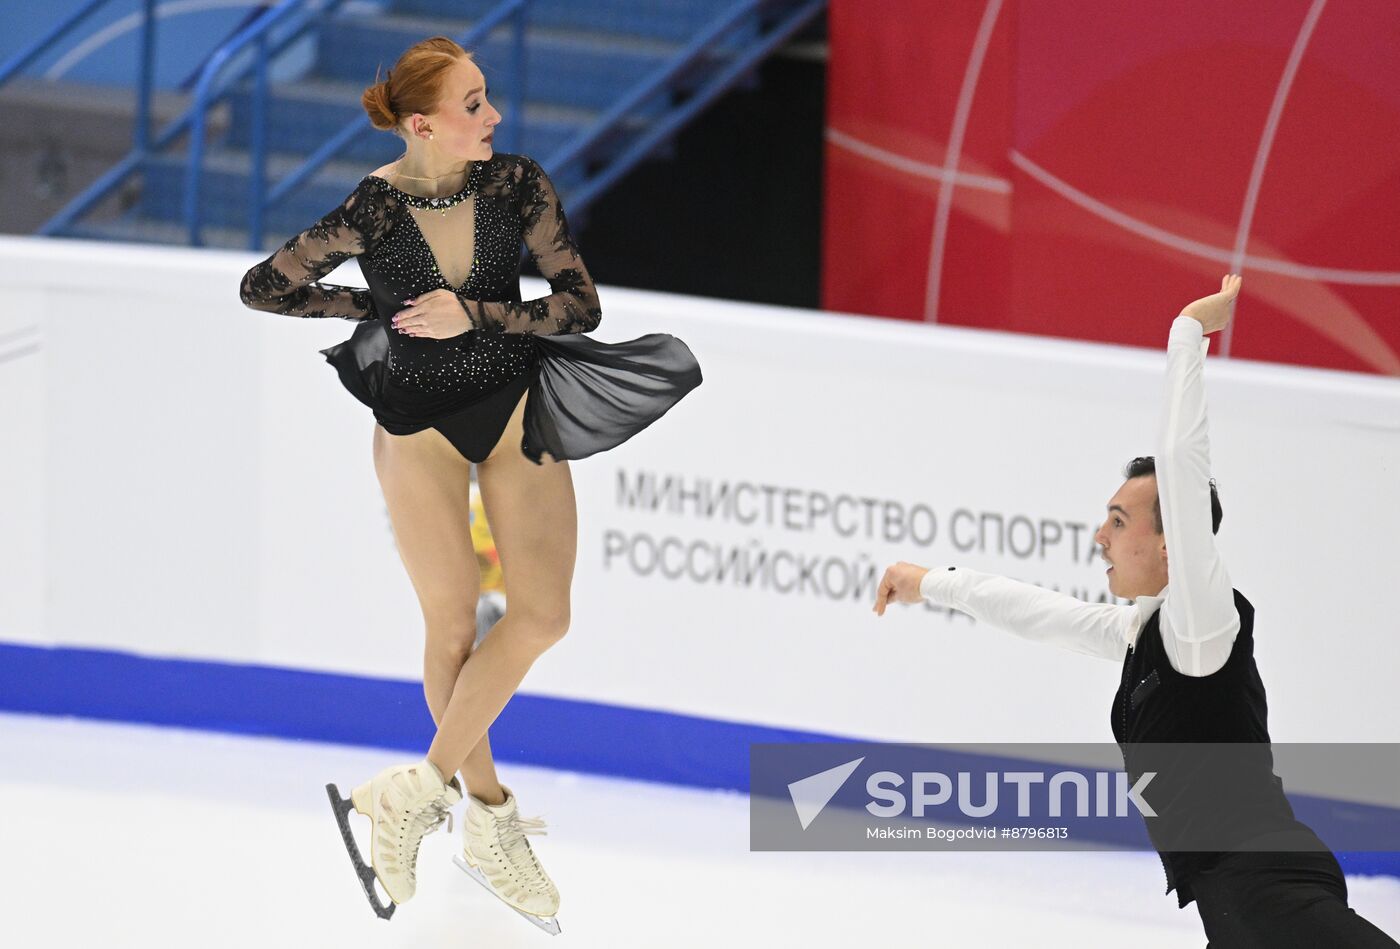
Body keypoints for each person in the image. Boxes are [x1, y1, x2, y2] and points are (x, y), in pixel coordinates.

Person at [239, 36, 701, 927]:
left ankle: (415, 789)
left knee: (543, 615)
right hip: (416, 433)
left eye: (487, 99)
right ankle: (487, 821)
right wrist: (373, 308)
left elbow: (579, 301)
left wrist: (475, 313)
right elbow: (267, 286)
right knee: (451, 621)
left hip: (514, 410)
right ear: (422, 125)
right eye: (474, 105)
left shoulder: (516, 184)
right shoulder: (372, 209)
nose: (493, 117)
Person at [873, 276, 1397, 948]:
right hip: (1240, 904)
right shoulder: (1145, 632)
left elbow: (1180, 456)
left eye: (1118, 521)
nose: (1101, 536)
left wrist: (1188, 330)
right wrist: (932, 581)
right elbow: (1039, 612)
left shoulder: (1201, 627)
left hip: (1272, 897)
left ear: (1171, 542)